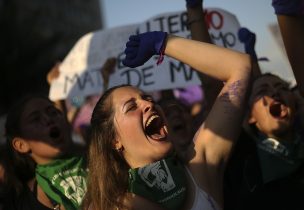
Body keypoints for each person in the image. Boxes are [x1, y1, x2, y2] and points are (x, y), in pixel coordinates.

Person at [83, 24, 251, 209]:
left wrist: (164, 43)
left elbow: (240, 67)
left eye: (147, 98)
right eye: (131, 107)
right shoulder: (106, 206)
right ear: (114, 140)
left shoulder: (200, 167)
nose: (149, 104)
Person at [223, 73, 304, 210]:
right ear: (250, 116)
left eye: (283, 88)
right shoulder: (244, 167)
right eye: (262, 92)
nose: (274, 93)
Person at [5, 94, 87, 210]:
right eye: (35, 119)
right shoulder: (27, 202)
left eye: (53, 112)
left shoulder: (102, 158)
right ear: (21, 145)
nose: (49, 119)